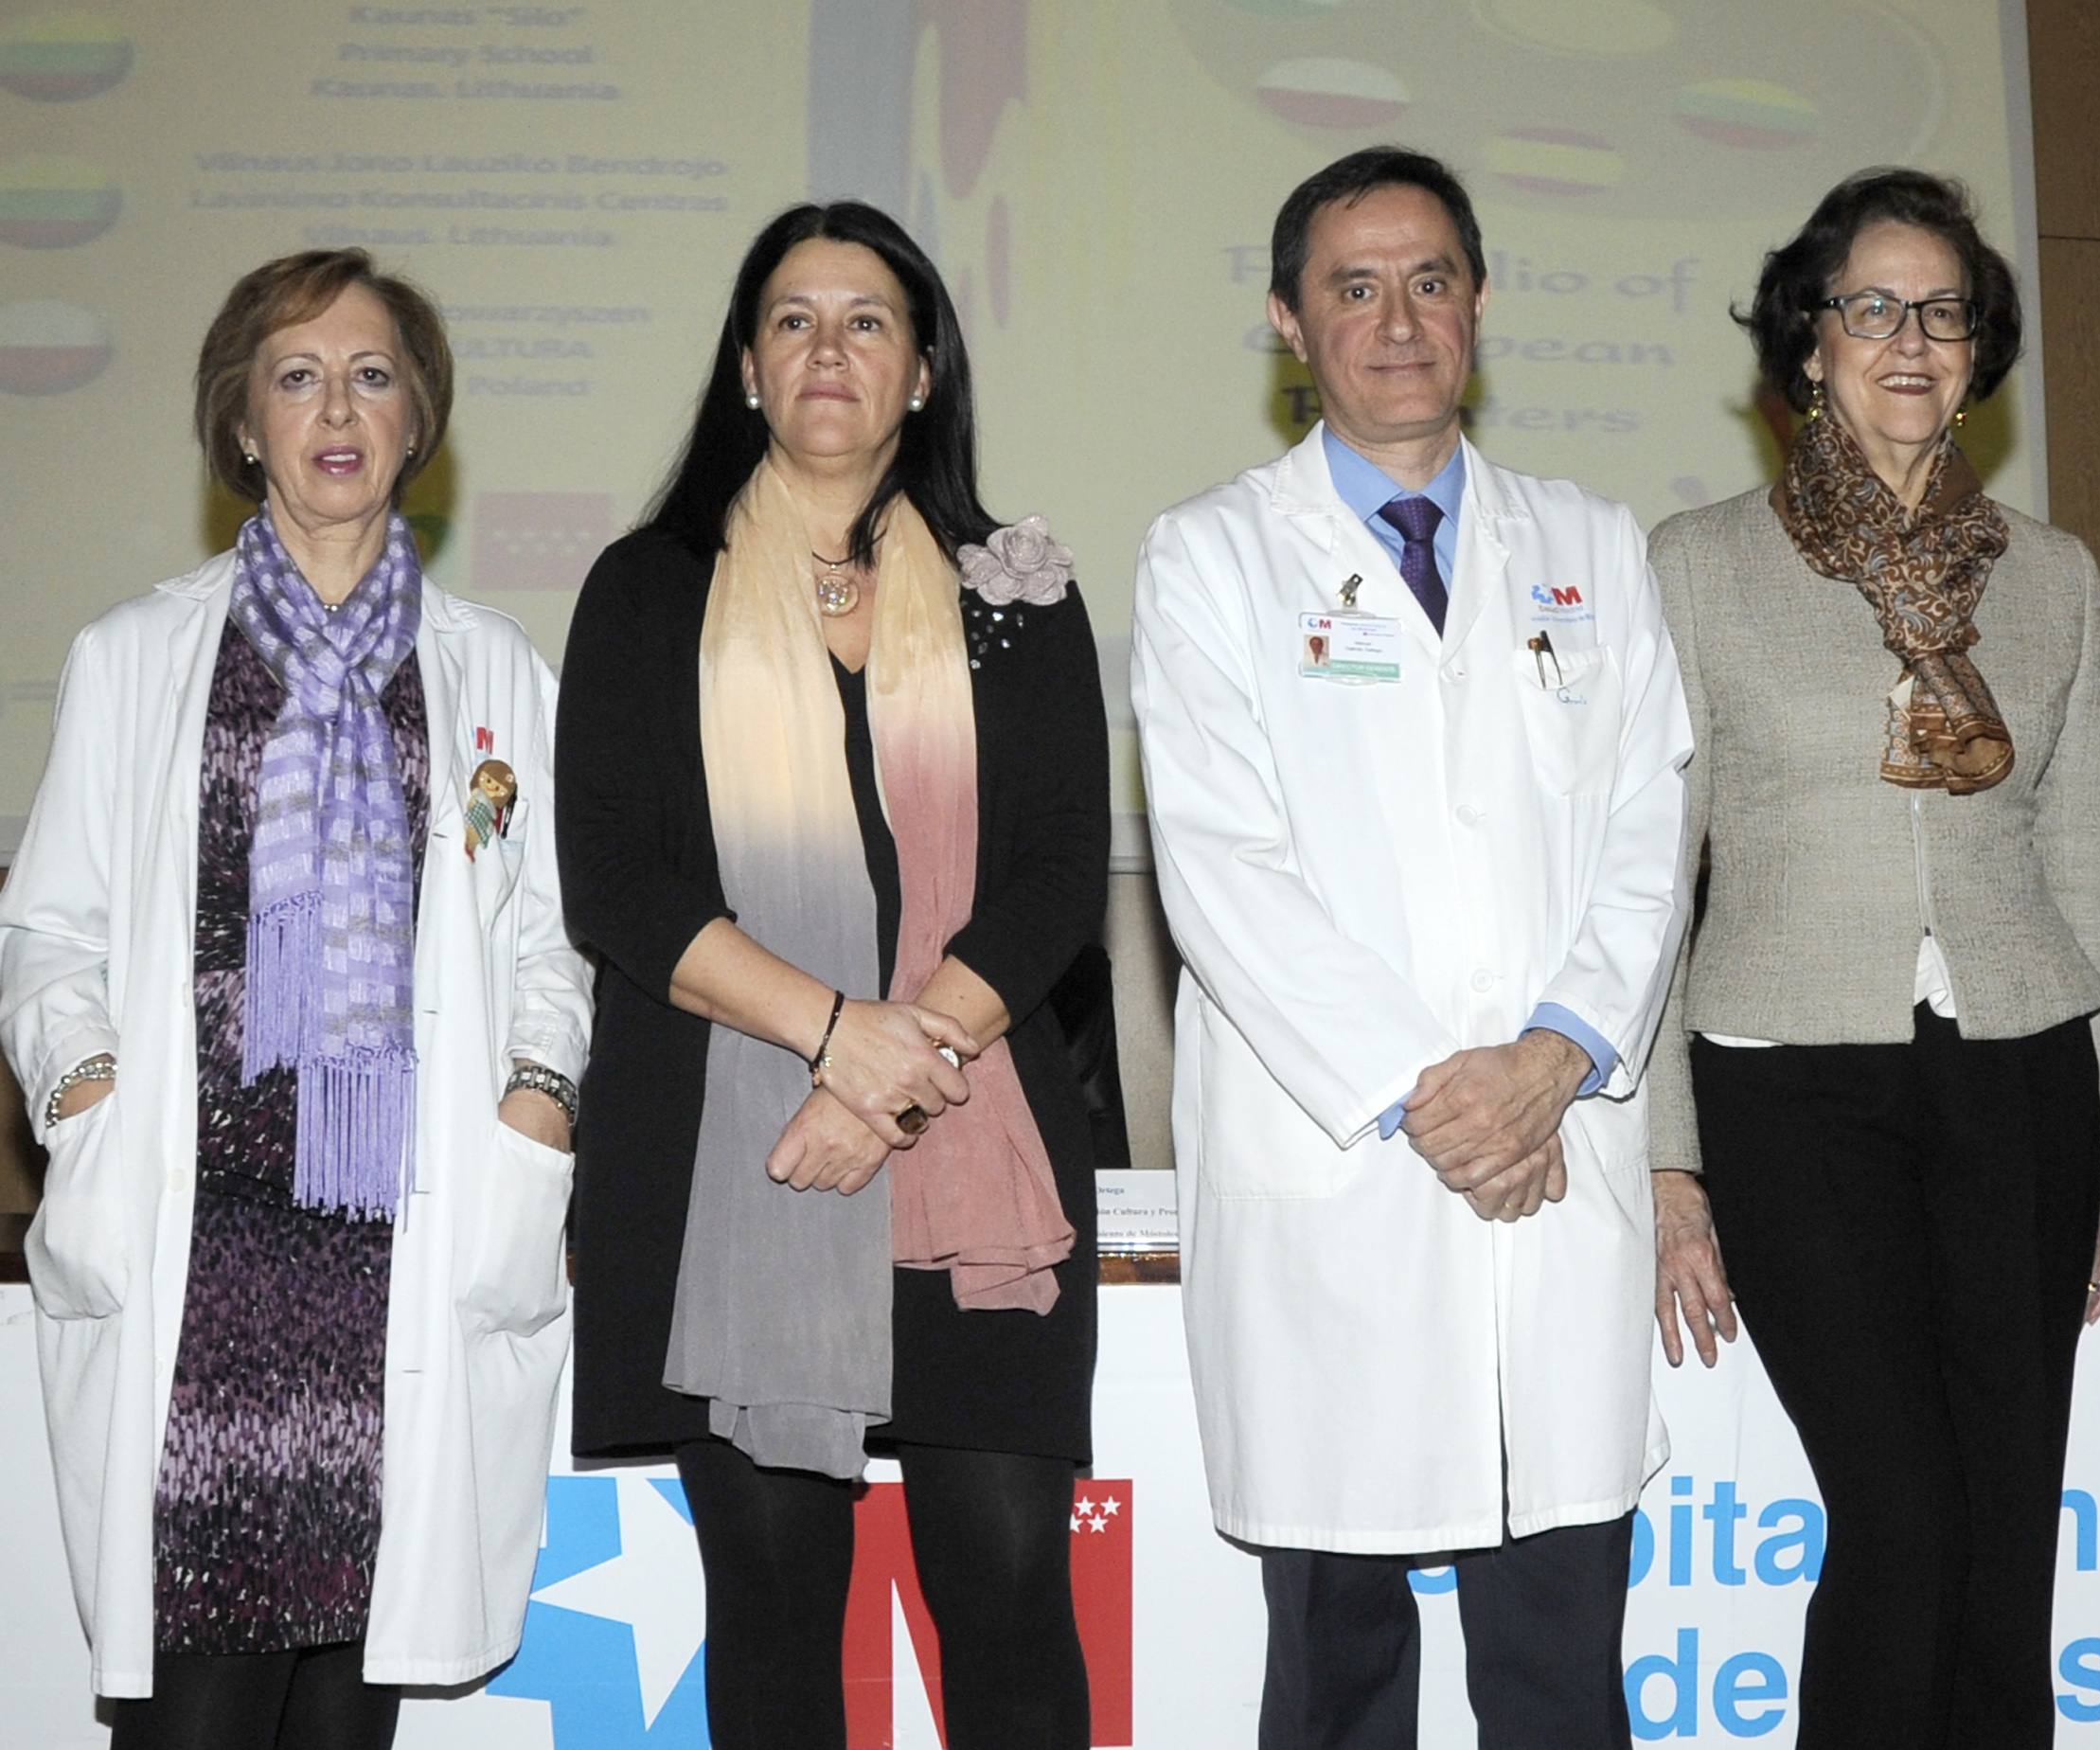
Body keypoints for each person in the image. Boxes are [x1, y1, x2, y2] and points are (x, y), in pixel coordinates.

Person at [1130, 146, 1693, 1750]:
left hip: (1553, 1164)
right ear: (1288, 322)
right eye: (1354, 287)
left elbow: (1652, 829)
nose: (1397, 322)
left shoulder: (1591, 544)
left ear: (1479, 305)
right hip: (1349, 1178)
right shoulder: (1210, 556)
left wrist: (1553, 1060)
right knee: (1340, 1683)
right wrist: (1438, 1100)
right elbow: (1223, 870)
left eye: (1429, 281)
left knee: (1560, 1677)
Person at [0, 249, 591, 1749]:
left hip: (398, 1252)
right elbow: (50, 928)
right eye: (298, 375)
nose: (338, 407)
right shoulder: (135, 657)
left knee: (344, 1715)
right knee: (194, 1712)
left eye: (373, 375)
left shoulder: (493, 672)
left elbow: (553, 941)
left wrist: (537, 1098)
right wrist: (85, 1094)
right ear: (242, 422)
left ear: (417, 421)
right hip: (198, 1262)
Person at [554, 201, 1110, 1750]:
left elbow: (1061, 875)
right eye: (792, 319)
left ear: (922, 371)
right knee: (778, 1626)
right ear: (746, 366)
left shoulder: (1017, 595)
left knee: (1013, 1612)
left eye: (868, 320)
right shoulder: (646, 591)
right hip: (734, 1163)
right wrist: (835, 1038)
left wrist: (890, 1078)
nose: (828, 349)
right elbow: (616, 883)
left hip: (969, 1154)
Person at [1643, 169, 2100, 1749]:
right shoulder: (1700, 562)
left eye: (1944, 312)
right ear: (1809, 341)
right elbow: (1650, 882)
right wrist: (1667, 1165)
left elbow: (2084, 872)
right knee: (1905, 1515)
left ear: (1980, 351)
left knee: (2008, 1519)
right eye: (1872, 307)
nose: (1910, 339)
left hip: (2020, 1077)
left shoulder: (2052, 575)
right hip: (1790, 1084)